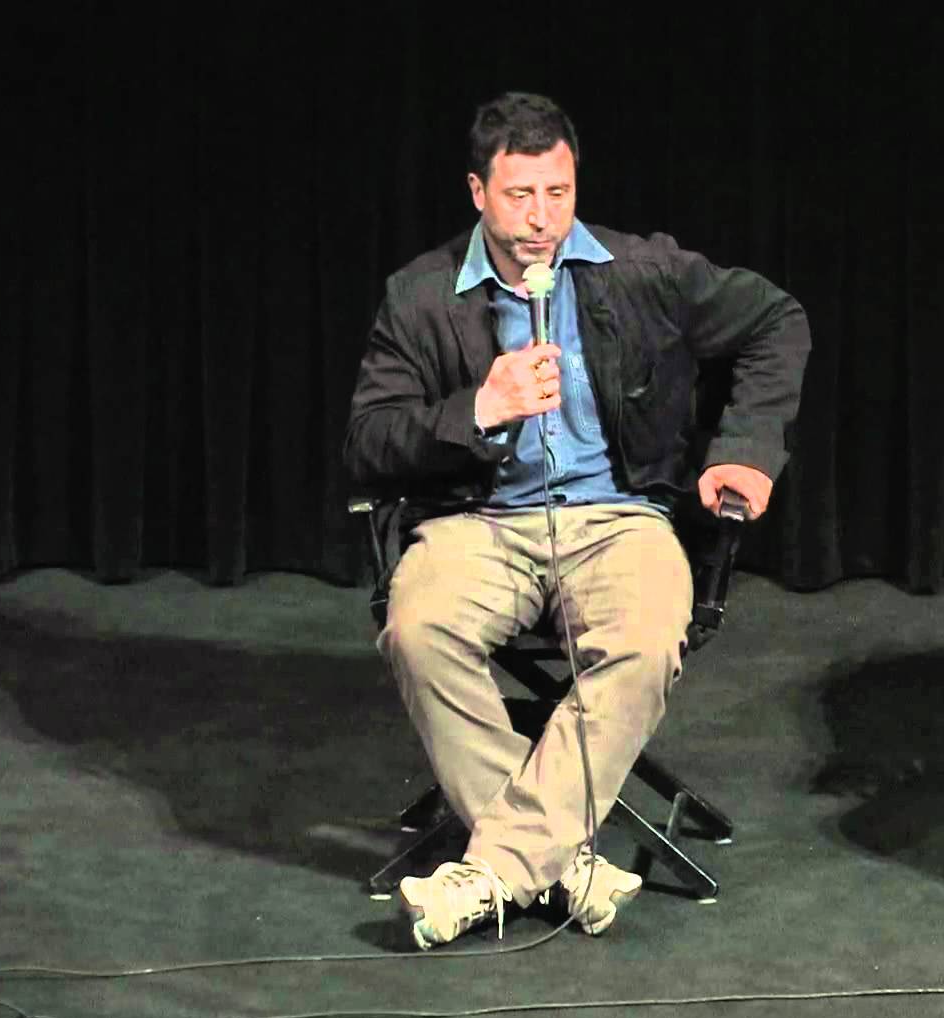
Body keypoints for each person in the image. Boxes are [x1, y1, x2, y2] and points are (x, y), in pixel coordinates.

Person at [344, 91, 809, 950]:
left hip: (618, 519)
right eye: (520, 196)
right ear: (478, 192)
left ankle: (491, 873)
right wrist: (478, 407)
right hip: (479, 522)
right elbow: (368, 442)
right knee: (419, 628)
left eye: (558, 193)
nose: (541, 218)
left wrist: (744, 448)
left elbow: (776, 319)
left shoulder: (640, 272)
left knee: (643, 635)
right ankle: (562, 863)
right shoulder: (420, 296)